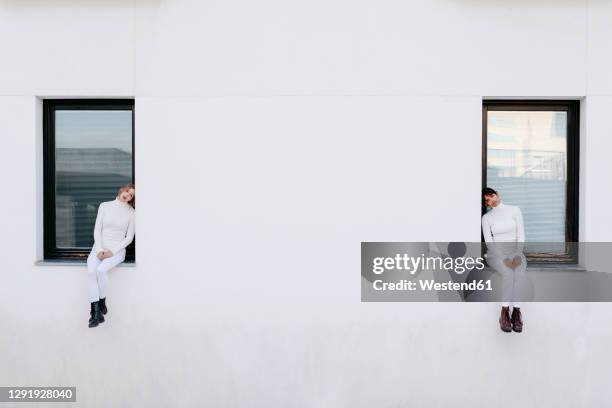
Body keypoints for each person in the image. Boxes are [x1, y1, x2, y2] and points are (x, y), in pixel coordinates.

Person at [86, 183, 136, 328]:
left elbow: (129, 237)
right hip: (99, 248)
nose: (127, 194)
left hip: (116, 251)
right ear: (122, 190)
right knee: (91, 272)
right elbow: (97, 229)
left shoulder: (131, 213)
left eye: (131, 195)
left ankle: (101, 303)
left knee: (100, 271)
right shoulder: (104, 206)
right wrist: (100, 249)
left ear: (131, 199)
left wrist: (111, 252)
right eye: (127, 191)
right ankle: (96, 313)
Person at [481, 187, 525, 333]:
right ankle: (504, 311)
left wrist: (518, 254)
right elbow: (489, 242)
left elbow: (521, 234)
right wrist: (504, 258)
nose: (489, 202)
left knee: (518, 274)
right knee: (508, 273)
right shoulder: (487, 218)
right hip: (496, 255)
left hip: (516, 252)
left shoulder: (514, 210)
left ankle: (517, 312)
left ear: (497, 195)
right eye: (486, 201)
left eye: (490, 197)